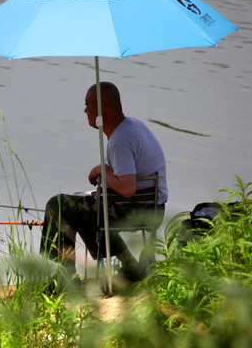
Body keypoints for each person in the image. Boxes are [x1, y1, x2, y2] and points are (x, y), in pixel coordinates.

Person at [40, 81, 168, 283]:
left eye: (87, 105)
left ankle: (65, 276)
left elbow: (127, 188)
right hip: (152, 209)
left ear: (101, 108)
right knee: (85, 207)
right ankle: (129, 265)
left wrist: (102, 169)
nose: (85, 110)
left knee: (58, 205)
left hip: (136, 212)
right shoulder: (134, 125)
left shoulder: (120, 140)